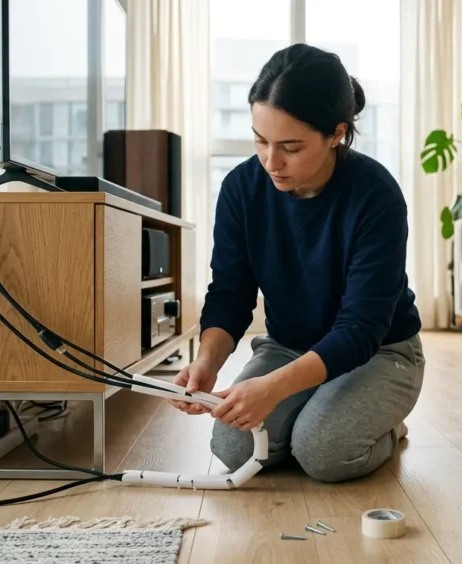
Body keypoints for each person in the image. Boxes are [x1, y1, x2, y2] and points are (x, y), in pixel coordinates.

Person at [169, 43, 424, 483]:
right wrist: (206, 363)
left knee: (324, 452)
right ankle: (314, 411)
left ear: (336, 133)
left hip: (380, 351)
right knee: (233, 447)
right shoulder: (241, 189)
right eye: (261, 140)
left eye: (290, 147)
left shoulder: (376, 195)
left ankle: (384, 425)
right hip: (289, 345)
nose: (271, 161)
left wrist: (273, 389)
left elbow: (361, 329)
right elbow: (230, 292)